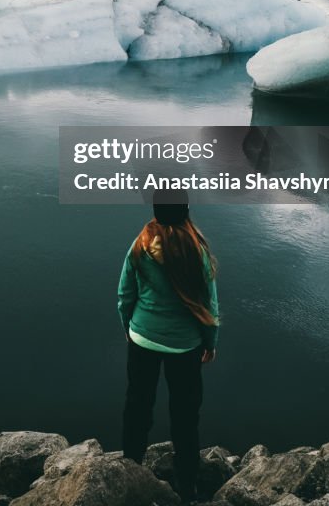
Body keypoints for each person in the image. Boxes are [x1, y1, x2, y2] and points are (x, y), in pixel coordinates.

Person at [117, 200, 219, 504]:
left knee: (137, 406)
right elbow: (210, 307)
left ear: (156, 212)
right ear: (186, 211)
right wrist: (210, 344)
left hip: (142, 338)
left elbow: (124, 295)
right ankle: (186, 487)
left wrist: (129, 328)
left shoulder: (141, 244)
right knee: (185, 417)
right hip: (185, 346)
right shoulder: (197, 250)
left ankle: (130, 469)